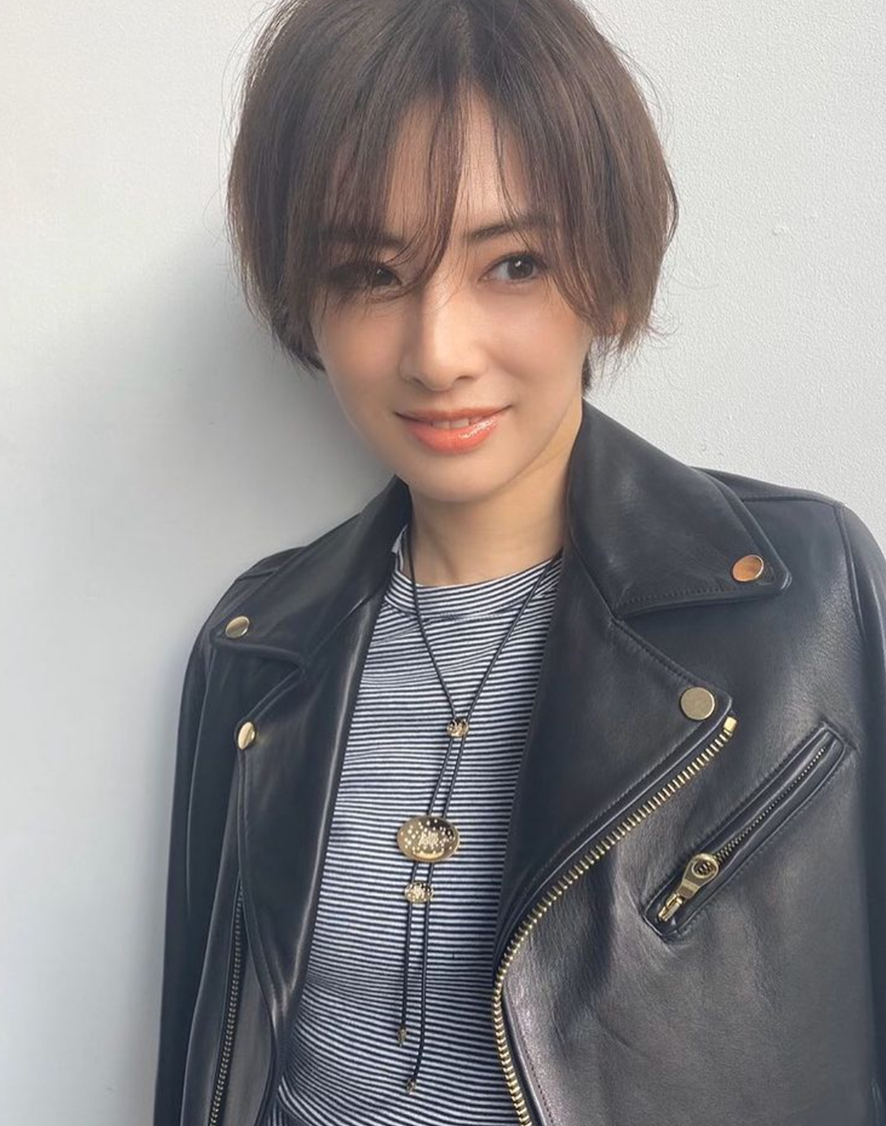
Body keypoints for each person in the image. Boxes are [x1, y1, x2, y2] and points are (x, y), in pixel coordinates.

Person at [153, 0, 886, 1123]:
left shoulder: (802, 596)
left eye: (514, 263)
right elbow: (208, 1053)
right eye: (371, 273)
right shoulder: (257, 646)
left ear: (606, 273)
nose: (438, 352)